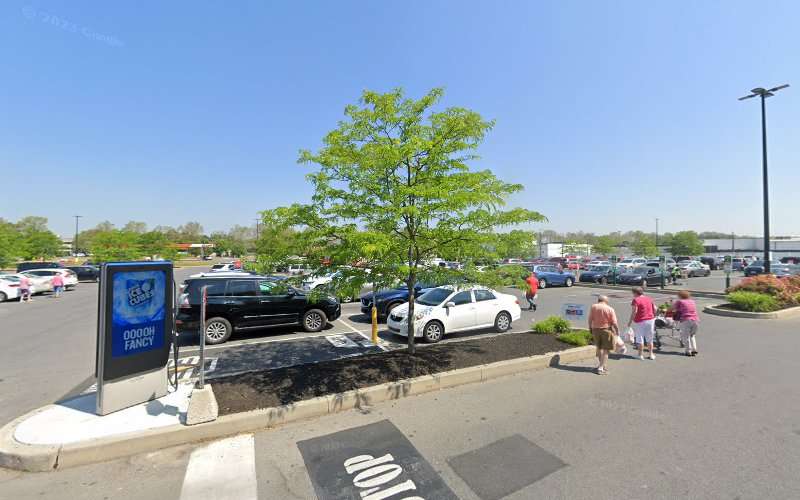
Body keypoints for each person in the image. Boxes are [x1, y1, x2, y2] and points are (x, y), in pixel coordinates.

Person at [588, 295, 619, 375]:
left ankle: (601, 365)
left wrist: (590, 328)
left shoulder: (593, 307)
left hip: (595, 329)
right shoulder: (610, 309)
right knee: (606, 350)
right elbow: (614, 323)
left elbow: (590, 318)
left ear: (599, 300)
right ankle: (601, 368)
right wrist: (617, 331)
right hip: (606, 330)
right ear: (606, 301)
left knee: (599, 348)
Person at [628, 287, 657, 360]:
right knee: (649, 338)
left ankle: (640, 355)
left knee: (640, 338)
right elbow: (655, 308)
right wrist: (653, 316)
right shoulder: (649, 298)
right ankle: (651, 354)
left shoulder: (635, 300)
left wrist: (630, 322)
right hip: (650, 319)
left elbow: (634, 312)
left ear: (635, 293)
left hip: (640, 320)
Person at [672, 290, 699, 356]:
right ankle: (694, 349)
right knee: (692, 335)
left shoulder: (680, 301)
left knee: (686, 336)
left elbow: (672, 309)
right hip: (695, 320)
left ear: (680, 296)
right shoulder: (692, 301)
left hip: (686, 320)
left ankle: (688, 351)